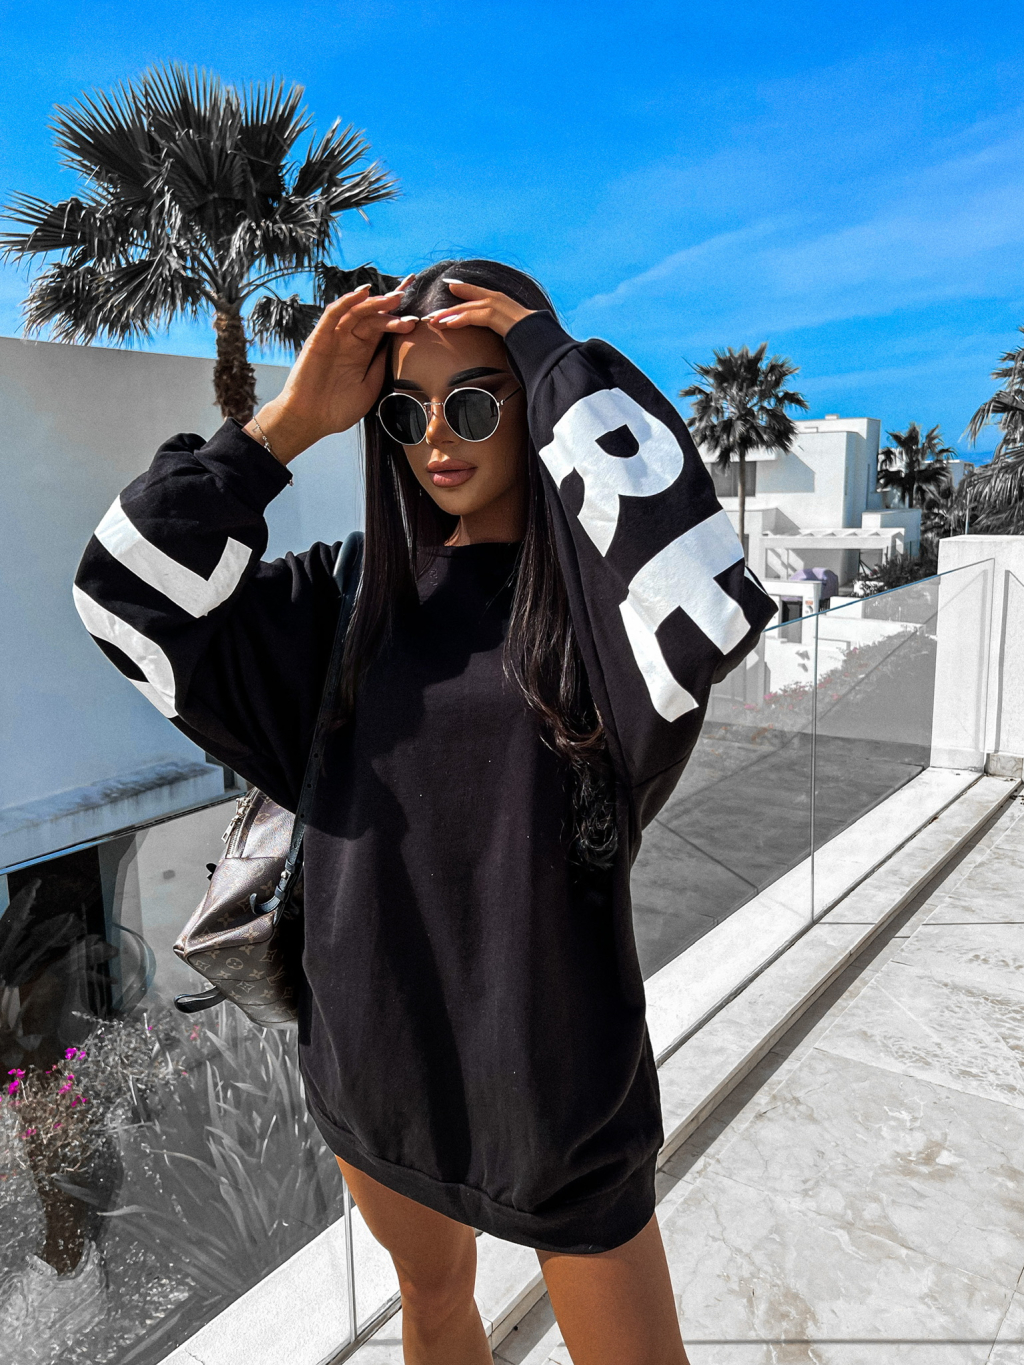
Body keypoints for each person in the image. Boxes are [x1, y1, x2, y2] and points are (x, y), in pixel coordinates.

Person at [73, 260, 775, 1364]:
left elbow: (706, 598)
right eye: (406, 411)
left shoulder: (607, 618)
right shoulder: (345, 598)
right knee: (435, 1305)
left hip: (559, 1084)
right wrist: (286, 426)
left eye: (477, 402)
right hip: (377, 1064)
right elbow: (122, 596)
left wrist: (551, 356)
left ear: (535, 411)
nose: (438, 436)